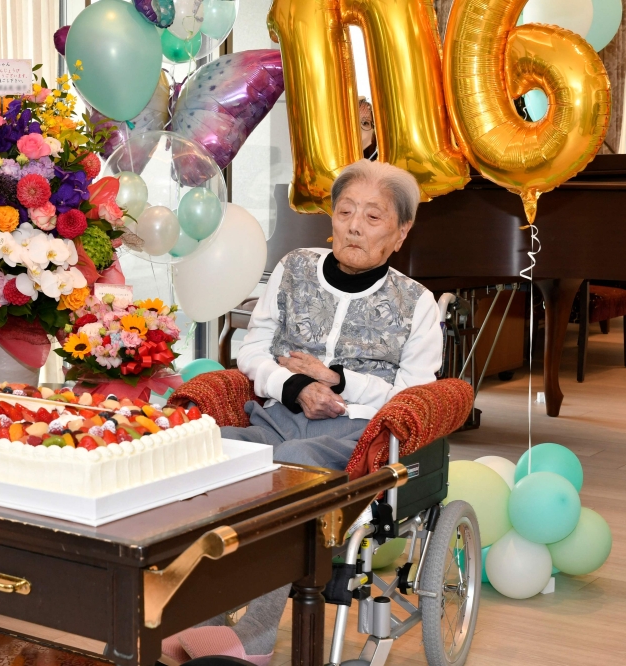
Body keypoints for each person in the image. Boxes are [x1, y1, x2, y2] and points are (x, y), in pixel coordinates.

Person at [161, 160, 442, 666]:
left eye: (372, 217)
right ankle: (194, 617)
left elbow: (414, 394)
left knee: (290, 470)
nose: (353, 227)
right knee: (203, 453)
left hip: (354, 432)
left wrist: (338, 381)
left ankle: (256, 636)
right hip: (275, 414)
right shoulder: (293, 269)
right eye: (345, 212)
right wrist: (294, 386)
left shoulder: (417, 303)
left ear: (401, 232)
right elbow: (253, 350)